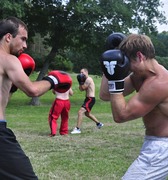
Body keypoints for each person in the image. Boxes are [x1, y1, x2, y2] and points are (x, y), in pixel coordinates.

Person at [100, 34, 168, 179]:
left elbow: (121, 116)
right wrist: (110, 63)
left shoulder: (160, 83)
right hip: (153, 142)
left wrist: (115, 76)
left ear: (139, 56)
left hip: (164, 146)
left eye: (127, 62)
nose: (126, 67)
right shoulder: (139, 75)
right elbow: (105, 94)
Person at [0, 16, 72, 179]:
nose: (25, 45)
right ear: (8, 37)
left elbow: (3, 101)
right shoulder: (9, 60)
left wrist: (12, 87)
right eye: (23, 39)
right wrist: (54, 79)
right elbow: (33, 90)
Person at [71, 68, 104, 134]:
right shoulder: (85, 80)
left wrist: (80, 82)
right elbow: (81, 89)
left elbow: (83, 88)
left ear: (86, 72)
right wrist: (80, 82)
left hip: (90, 99)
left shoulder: (89, 79)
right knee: (87, 113)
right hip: (88, 99)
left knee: (80, 112)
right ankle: (99, 124)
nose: (81, 74)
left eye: (82, 72)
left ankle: (78, 129)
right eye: (80, 72)